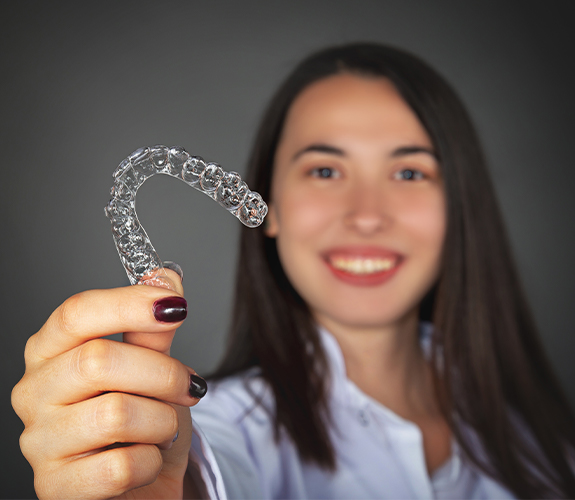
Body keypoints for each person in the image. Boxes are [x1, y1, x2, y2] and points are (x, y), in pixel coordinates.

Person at [11, 43, 575, 499]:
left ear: (460, 205)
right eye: (325, 171)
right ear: (269, 204)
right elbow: (206, 474)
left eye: (409, 174)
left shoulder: (545, 438)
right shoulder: (223, 432)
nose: (367, 216)